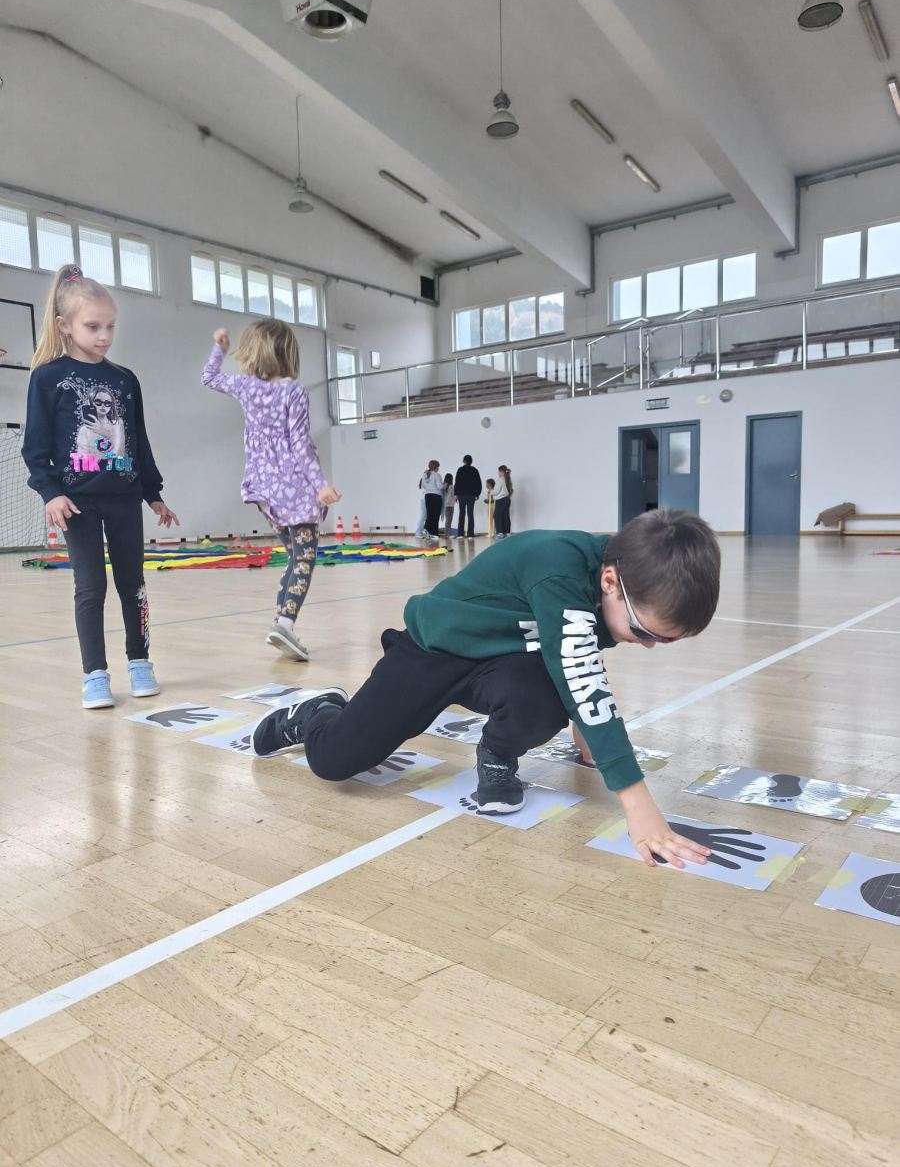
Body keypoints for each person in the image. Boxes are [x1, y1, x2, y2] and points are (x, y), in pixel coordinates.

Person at [252, 509, 721, 869]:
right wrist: (640, 809)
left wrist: (583, 731)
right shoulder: (558, 567)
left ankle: (496, 754)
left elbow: (577, 661)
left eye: (666, 640)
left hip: (505, 661)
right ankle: (318, 712)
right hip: (434, 650)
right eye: (645, 632)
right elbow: (580, 670)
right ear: (610, 581)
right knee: (335, 762)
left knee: (544, 702)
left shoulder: (622, 577)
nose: (649, 645)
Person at [22, 264, 179, 709]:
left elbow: (139, 441)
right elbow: (35, 448)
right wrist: (51, 492)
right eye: (93, 326)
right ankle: (95, 674)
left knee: (134, 584)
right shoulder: (47, 378)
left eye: (110, 326)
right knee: (91, 588)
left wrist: (153, 493)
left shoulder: (125, 380)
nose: (105, 335)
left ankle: (140, 662)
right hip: (77, 504)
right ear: (64, 325)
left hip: (124, 500)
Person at [202, 322, 341, 662]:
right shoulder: (293, 391)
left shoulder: (245, 386)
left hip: (263, 487)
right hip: (294, 486)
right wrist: (320, 485)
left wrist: (220, 349)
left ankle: (281, 621)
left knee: (294, 556)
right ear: (287, 353)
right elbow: (300, 445)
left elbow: (209, 377)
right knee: (305, 558)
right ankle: (285, 624)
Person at [454, 454, 481, 539]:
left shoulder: (460, 470)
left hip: (461, 495)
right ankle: (470, 534)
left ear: (464, 461)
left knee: (462, 514)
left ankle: (460, 534)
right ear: (471, 462)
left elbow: (457, 482)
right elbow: (478, 483)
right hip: (471, 495)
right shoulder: (475, 470)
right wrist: (477, 493)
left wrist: (456, 494)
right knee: (470, 514)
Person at [420, 459, 444, 544]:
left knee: (429, 514)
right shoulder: (437, 475)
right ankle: (434, 534)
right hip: (436, 496)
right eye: (438, 467)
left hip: (428, 496)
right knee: (436, 515)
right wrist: (445, 485)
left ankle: (427, 531)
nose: (438, 468)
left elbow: (423, 486)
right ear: (436, 467)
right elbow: (440, 486)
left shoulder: (424, 475)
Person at [492, 464, 513, 540]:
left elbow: (496, 491)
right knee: (505, 516)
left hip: (500, 500)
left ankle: (500, 533)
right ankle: (507, 533)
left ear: (501, 472)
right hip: (507, 499)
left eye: (499, 471)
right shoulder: (507, 479)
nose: (498, 473)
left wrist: (491, 492)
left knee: (497, 516)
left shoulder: (500, 480)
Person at [441, 472, 456, 541]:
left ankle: (447, 534)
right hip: (451, 505)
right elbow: (454, 495)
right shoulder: (452, 486)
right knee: (449, 520)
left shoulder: (443, 486)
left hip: (445, 505)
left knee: (447, 520)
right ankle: (448, 534)